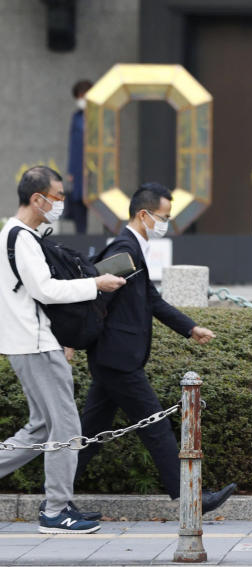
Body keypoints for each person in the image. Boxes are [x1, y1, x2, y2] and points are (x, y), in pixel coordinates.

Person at [74, 182, 236, 514]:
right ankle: (190, 498)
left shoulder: (133, 249)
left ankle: (55, 498)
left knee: (89, 434)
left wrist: (190, 328)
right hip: (118, 360)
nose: (166, 224)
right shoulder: (123, 249)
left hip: (113, 360)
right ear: (143, 214)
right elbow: (94, 296)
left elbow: (151, 299)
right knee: (156, 427)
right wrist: (71, 342)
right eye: (164, 217)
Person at [0, 166, 125, 533]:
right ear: (37, 199)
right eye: (57, 196)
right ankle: (55, 511)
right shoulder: (20, 238)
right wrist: (96, 283)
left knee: (41, 427)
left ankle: (59, 505)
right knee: (66, 424)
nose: (61, 203)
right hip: (35, 344)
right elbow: (45, 290)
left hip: (27, 342)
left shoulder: (15, 235)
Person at [65, 79, 92, 234]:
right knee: (78, 204)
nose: (81, 100)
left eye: (83, 95)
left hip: (96, 170)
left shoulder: (101, 114)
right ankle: (81, 236)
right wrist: (71, 172)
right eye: (79, 97)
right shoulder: (77, 117)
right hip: (78, 169)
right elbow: (73, 146)